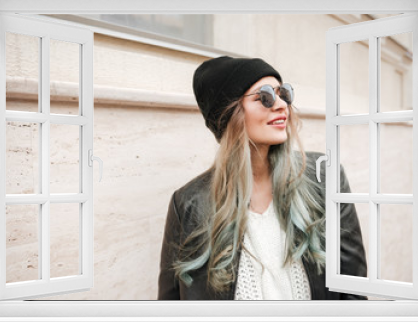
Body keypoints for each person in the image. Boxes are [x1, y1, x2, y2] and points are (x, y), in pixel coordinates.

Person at [157, 56, 367, 300]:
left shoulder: (325, 178)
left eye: (283, 93)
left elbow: (353, 291)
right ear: (229, 115)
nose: (281, 105)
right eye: (264, 96)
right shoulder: (190, 204)